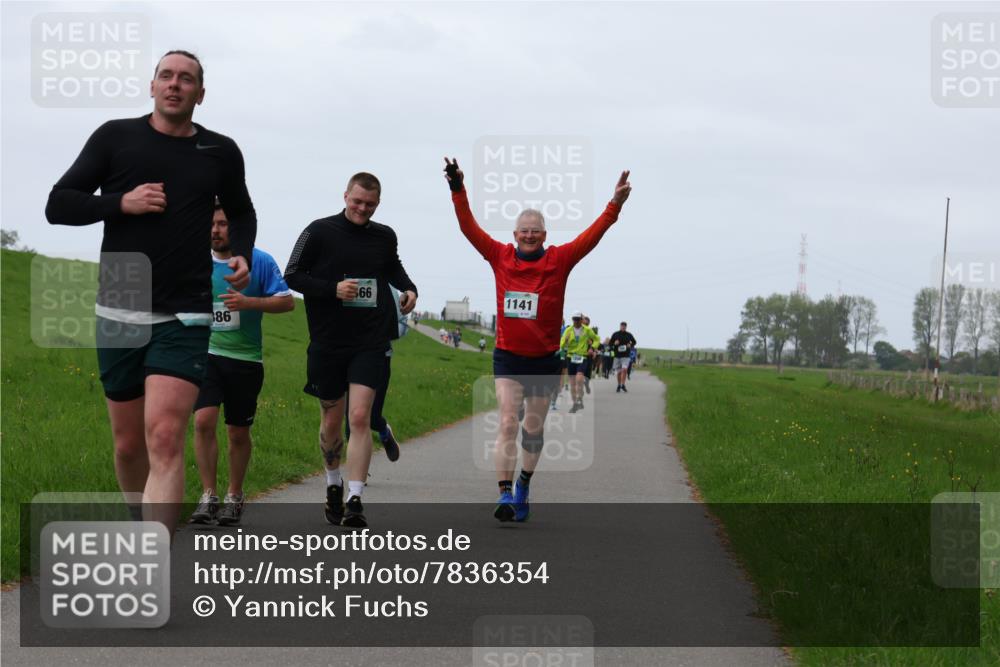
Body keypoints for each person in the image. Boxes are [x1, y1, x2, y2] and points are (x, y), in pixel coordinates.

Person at [45, 50, 257, 533]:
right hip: (120, 305)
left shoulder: (221, 151)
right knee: (128, 445)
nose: (175, 84)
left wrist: (242, 252)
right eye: (166, 75)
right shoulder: (115, 137)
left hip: (186, 312)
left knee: (163, 437)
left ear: (200, 94)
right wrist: (121, 202)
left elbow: (243, 211)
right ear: (152, 86)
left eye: (186, 78)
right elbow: (58, 205)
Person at [444, 157, 631, 522]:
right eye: (523, 231)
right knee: (507, 423)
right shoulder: (499, 256)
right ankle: (504, 493)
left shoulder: (560, 260)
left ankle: (524, 484)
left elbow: (591, 236)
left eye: (535, 231)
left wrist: (615, 204)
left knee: (532, 428)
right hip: (508, 356)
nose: (529, 236)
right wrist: (457, 188)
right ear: (515, 235)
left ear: (545, 235)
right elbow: (468, 227)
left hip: (544, 359)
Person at [284, 172, 417, 528]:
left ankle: (355, 498)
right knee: (331, 420)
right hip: (328, 341)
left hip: (370, 340)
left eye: (370, 204)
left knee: (359, 417)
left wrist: (410, 289)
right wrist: (333, 289)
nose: (362, 209)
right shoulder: (318, 231)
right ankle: (333, 483)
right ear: (345, 196)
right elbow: (292, 275)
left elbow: (393, 267)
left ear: (378, 204)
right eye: (357, 201)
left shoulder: (384, 236)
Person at [190, 200, 293, 526]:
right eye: (211, 224)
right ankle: (208, 496)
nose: (215, 231)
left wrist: (248, 302)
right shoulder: (194, 259)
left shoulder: (259, 261)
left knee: (237, 432)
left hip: (245, 359)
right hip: (206, 354)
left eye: (222, 224)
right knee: (203, 421)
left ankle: (234, 495)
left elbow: (286, 302)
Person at [343, 286, 407, 463]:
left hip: (379, 357)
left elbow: (402, 325)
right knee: (352, 421)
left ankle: (384, 431)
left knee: (372, 418)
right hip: (349, 357)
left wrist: (380, 332)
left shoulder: (388, 288)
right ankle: (358, 472)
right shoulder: (347, 281)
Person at [559, 312, 600, 413]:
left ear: (581, 320)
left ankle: (579, 396)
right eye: (574, 319)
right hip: (570, 357)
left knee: (579, 377)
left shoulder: (587, 330)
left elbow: (597, 339)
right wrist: (565, 341)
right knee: (572, 383)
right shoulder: (568, 330)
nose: (576, 321)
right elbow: (561, 344)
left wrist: (592, 348)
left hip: (582, 356)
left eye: (578, 319)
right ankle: (575, 404)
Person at [609, 322, 638, 392]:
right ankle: (619, 385)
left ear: (626, 327)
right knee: (619, 372)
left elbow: (634, 342)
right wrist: (614, 343)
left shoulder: (629, 335)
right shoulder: (615, 334)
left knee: (624, 369)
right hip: (617, 356)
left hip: (626, 356)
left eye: (624, 326)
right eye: (622, 326)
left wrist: (630, 345)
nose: (623, 327)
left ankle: (623, 384)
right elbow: (610, 343)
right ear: (620, 326)